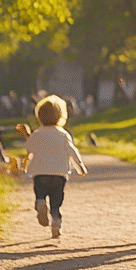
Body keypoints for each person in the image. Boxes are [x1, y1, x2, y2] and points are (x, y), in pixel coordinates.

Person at [21, 94, 88, 239]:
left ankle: (40, 202)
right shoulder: (63, 134)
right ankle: (56, 222)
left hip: (40, 173)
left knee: (40, 192)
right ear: (61, 115)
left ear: (39, 116)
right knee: (56, 201)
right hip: (59, 174)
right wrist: (80, 166)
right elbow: (72, 151)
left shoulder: (37, 134)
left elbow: (29, 148)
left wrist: (25, 161)